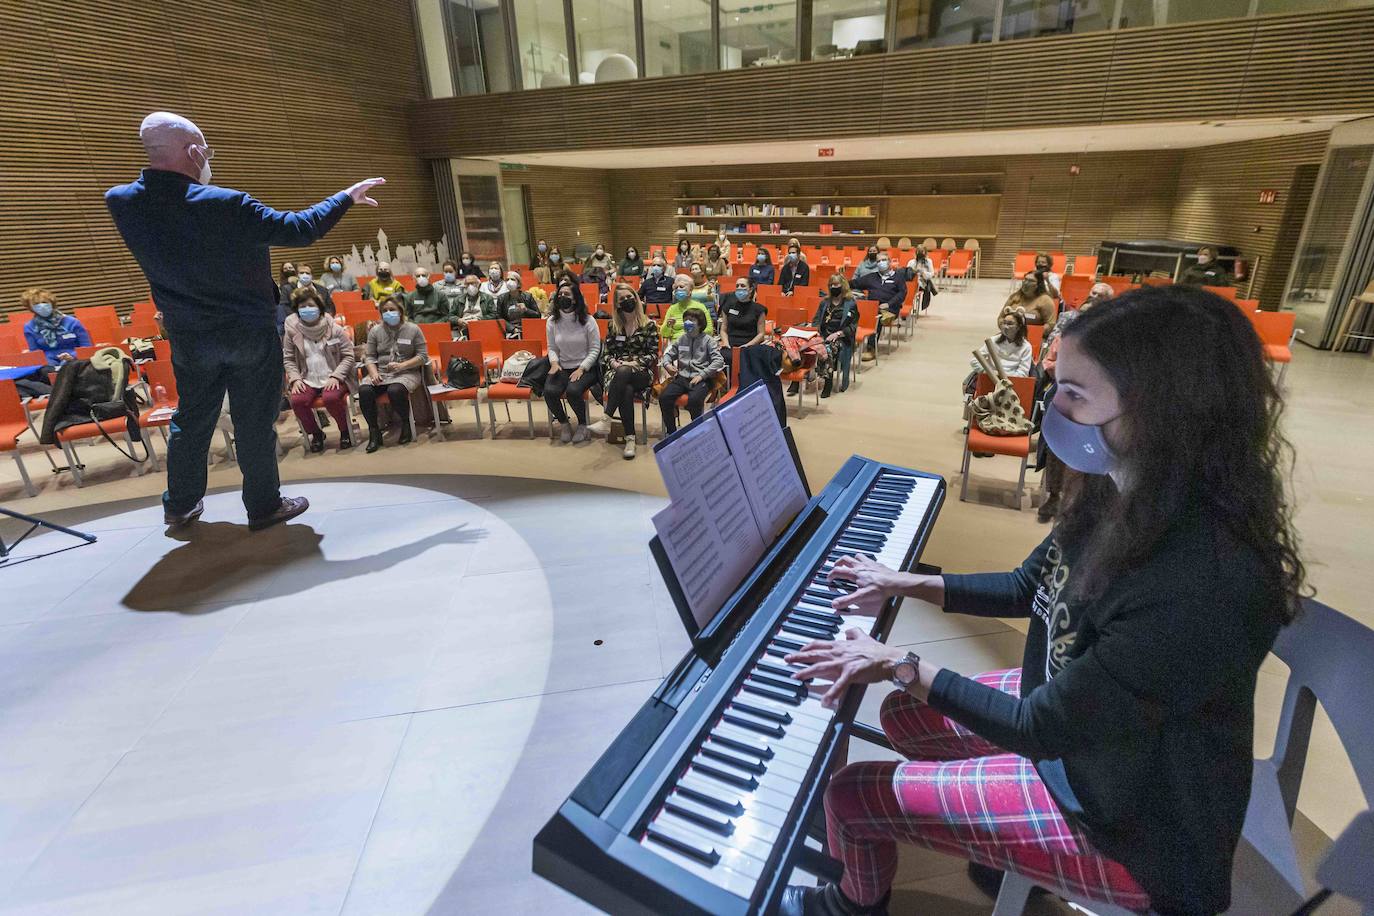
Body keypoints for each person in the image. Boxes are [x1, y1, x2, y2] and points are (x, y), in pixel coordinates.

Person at [779, 284, 1304, 916]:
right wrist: (904, 582)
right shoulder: (1129, 484)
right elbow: (1030, 587)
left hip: (1130, 830)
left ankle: (849, 906)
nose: (1050, 407)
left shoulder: (1202, 582)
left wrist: (898, 661)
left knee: (851, 794)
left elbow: (1039, 728)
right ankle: (998, 862)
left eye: (1075, 395)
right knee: (902, 717)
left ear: (1160, 411)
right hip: (1087, 742)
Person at [105, 111, 383, 530]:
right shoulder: (226, 203)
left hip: (188, 334)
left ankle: (180, 505)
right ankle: (263, 504)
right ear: (194, 151)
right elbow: (299, 229)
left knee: (192, 419)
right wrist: (345, 196)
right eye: (206, 150)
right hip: (246, 332)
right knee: (254, 420)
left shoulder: (121, 202)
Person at [1038, 282, 1114, 523]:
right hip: (1066, 391)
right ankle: (1053, 493)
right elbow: (1048, 362)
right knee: (1057, 438)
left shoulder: (1112, 344)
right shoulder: (1065, 338)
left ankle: (1086, 500)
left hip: (1101, 402)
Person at [282, 286, 355, 453]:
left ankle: (344, 430)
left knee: (331, 398)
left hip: (334, 375)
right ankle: (316, 433)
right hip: (307, 377)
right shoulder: (292, 332)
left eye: (310, 306)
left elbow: (348, 355)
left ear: (319, 308)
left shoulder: (334, 328)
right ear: (297, 310)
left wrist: (336, 376)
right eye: (302, 307)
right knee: (298, 401)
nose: (307, 310)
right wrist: (295, 378)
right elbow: (288, 359)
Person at [590, 284, 659, 460]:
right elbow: (606, 353)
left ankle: (606, 418)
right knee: (625, 389)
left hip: (641, 372)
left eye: (629, 297)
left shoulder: (649, 325)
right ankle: (630, 439)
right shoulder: (613, 326)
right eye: (622, 299)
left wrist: (635, 362)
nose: (627, 301)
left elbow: (652, 354)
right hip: (617, 372)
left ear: (636, 298)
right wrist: (613, 363)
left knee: (625, 372)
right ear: (617, 304)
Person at [359, 293, 426, 453]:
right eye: (385, 310)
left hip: (407, 372)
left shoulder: (413, 329)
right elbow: (369, 356)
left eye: (392, 309)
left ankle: (406, 423)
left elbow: (422, 356)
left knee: (395, 390)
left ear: (400, 311)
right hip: (381, 372)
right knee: (365, 391)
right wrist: (373, 373)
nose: (389, 313)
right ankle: (374, 431)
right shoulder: (375, 331)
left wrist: (403, 365)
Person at [544, 281, 602, 444]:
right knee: (549, 391)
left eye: (567, 294)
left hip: (585, 367)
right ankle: (564, 423)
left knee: (573, 391)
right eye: (560, 294)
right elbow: (552, 347)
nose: (562, 297)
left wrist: (582, 369)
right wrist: (554, 363)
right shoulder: (552, 321)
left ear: (575, 298)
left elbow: (595, 349)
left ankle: (583, 424)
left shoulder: (588, 320)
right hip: (562, 365)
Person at [658, 305, 723, 434]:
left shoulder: (708, 340)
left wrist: (702, 375)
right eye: (686, 319)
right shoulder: (682, 339)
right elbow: (669, 355)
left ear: (700, 324)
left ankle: (696, 431)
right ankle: (672, 433)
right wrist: (667, 364)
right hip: (682, 378)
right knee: (664, 397)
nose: (687, 322)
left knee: (694, 400)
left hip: (701, 379)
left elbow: (719, 360)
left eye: (692, 320)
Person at [850, 251, 907, 359]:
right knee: (852, 311)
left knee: (876, 315)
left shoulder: (898, 277)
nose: (881, 263)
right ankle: (853, 341)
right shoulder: (872, 277)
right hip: (872, 307)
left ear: (889, 262)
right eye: (878, 261)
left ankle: (871, 348)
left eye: (883, 260)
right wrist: (842, 284)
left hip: (889, 310)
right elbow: (855, 283)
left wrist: (889, 304)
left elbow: (902, 294)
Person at [810, 275, 859, 396]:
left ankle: (828, 381)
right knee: (807, 346)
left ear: (843, 286)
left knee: (828, 348)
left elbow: (853, 326)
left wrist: (838, 333)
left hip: (841, 337)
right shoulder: (825, 302)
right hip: (823, 334)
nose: (833, 287)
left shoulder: (850, 304)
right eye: (831, 285)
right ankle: (800, 380)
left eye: (836, 285)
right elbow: (816, 320)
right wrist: (817, 332)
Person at [20, 288, 91, 368]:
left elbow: (86, 347)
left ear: (52, 303)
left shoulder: (72, 322)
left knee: (68, 366)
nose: (42, 306)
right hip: (48, 362)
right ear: (30, 307)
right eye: (36, 304)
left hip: (75, 360)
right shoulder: (29, 327)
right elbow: (35, 354)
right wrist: (48, 361)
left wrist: (73, 356)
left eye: (45, 302)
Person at [718, 276, 767, 367]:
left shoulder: (759, 309)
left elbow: (761, 334)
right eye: (737, 286)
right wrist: (726, 343)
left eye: (742, 286)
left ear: (750, 289)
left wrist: (747, 346)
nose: (739, 288)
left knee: (744, 358)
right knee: (721, 357)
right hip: (730, 343)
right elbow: (723, 329)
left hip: (750, 343)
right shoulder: (728, 306)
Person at [661, 274, 714, 342]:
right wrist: (668, 326)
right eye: (676, 288)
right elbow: (664, 334)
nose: (678, 289)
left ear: (690, 290)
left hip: (696, 342)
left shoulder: (700, 307)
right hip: (676, 344)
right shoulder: (672, 308)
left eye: (681, 287)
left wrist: (693, 330)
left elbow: (709, 330)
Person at [495, 272, 541, 337]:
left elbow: (538, 315)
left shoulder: (528, 296)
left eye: (512, 279)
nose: (509, 281)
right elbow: (499, 317)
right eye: (507, 279)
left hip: (527, 329)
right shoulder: (501, 298)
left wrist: (526, 310)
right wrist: (512, 329)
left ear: (518, 283)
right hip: (510, 331)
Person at [907, 245, 936, 312]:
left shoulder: (929, 262)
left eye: (922, 252)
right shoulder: (911, 262)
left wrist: (923, 272)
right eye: (918, 252)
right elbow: (907, 274)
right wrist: (914, 272)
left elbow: (931, 274)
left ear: (925, 253)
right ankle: (907, 307)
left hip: (923, 283)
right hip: (912, 282)